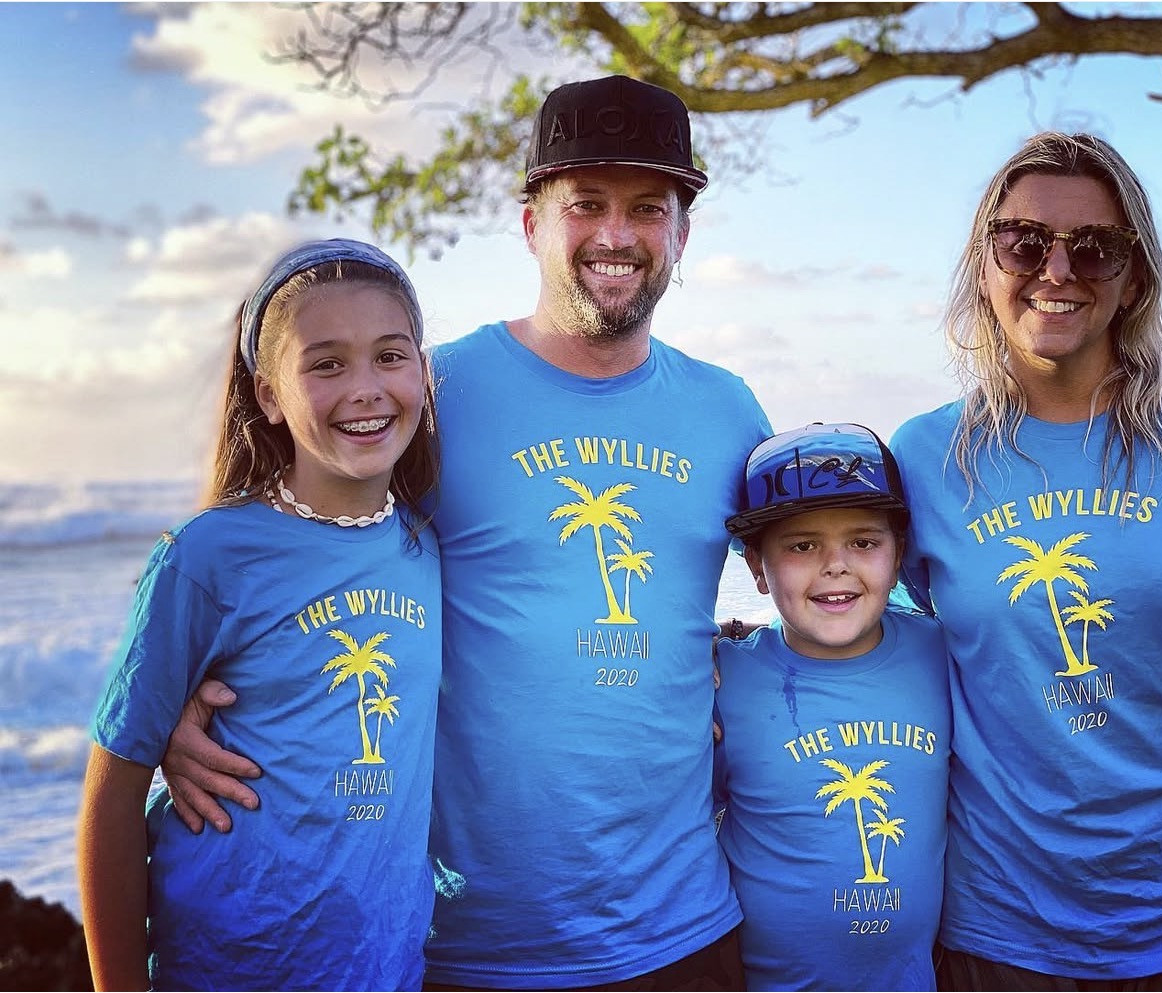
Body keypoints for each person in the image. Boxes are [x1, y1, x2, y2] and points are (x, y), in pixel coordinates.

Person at [158, 76, 773, 990]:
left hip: (685, 929)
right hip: (473, 941)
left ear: (682, 234)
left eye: (648, 208)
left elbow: (822, 583)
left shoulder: (728, 411)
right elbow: (287, 546)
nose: (615, 234)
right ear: (531, 225)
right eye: (585, 204)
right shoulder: (433, 394)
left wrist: (749, 656)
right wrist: (177, 702)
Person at [887, 132, 1162, 990]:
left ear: (1136, 277)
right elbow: (891, 649)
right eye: (1022, 242)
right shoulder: (926, 458)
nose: (1056, 270)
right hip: (997, 931)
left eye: (1094, 248)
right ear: (984, 264)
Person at [76, 239, 444, 991]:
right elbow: (112, 793)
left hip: (384, 968)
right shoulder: (207, 555)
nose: (366, 389)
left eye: (390, 356)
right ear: (270, 395)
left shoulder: (428, 543)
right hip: (230, 967)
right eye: (326, 364)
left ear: (422, 372)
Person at [714, 422, 952, 991]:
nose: (835, 565)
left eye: (864, 542)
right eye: (801, 546)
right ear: (756, 566)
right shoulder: (722, 682)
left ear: (899, 554)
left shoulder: (946, 656)